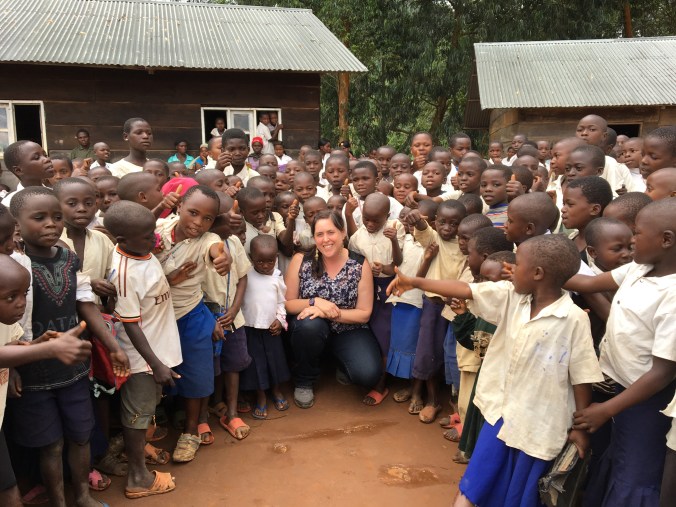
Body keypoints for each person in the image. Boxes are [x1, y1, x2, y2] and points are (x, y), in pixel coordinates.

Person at [388, 234, 603, 507]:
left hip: (540, 426)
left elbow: (582, 376)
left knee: (519, 495)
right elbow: (466, 289)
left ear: (537, 273)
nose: (509, 271)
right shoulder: (511, 297)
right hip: (500, 413)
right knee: (475, 483)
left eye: (518, 265)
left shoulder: (573, 319)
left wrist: (580, 429)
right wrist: (415, 282)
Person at [8, 186, 130, 507]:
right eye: (39, 218)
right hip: (33, 375)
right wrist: (12, 368)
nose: (51, 223)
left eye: (56, 217)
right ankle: (59, 501)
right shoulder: (14, 266)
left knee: (80, 434)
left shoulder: (68, 259)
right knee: (51, 444)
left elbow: (85, 303)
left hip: (74, 369)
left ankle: (83, 496)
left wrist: (112, 344)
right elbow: (9, 328)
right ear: (17, 225)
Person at [564, 198, 676, 507]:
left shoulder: (672, 295)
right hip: (618, 387)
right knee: (615, 457)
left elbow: (663, 373)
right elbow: (587, 283)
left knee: (635, 472)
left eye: (637, 233)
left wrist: (607, 409)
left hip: (647, 400)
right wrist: (541, 272)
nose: (632, 242)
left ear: (666, 240)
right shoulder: (641, 267)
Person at [0, 254, 92, 507]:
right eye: (11, 297)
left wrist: (38, 343)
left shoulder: (7, 323)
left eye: (25, 294)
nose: (21, 304)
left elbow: (10, 347)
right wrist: (48, 350)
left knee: (9, 493)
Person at [104, 201, 179, 499]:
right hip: (142, 360)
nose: (154, 237)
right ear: (123, 239)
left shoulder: (141, 251)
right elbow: (131, 325)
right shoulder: (125, 272)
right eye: (147, 235)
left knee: (145, 410)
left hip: (157, 350)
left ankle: (137, 454)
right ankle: (138, 478)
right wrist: (155, 364)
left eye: (153, 231)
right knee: (137, 413)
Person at [153, 185, 232, 463]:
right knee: (153, 375)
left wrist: (223, 258)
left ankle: (190, 432)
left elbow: (216, 250)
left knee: (196, 374)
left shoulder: (208, 239)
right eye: (193, 213)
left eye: (207, 218)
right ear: (178, 208)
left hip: (189, 313)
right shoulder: (159, 228)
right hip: (153, 318)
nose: (198, 222)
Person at [284, 210, 382, 409]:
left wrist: (328, 312)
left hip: (348, 329)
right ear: (314, 237)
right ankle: (304, 379)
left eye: (331, 232)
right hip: (311, 328)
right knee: (309, 326)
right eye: (319, 234)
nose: (326, 239)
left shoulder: (359, 264)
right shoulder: (301, 260)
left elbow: (364, 314)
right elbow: (288, 303)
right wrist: (315, 302)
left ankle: (338, 361)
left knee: (368, 374)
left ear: (343, 232)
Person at [403, 200, 467, 423]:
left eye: (454, 223)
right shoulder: (434, 238)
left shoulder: (466, 244)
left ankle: (456, 402)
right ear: (435, 222)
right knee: (428, 351)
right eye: (442, 222)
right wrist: (416, 218)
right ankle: (433, 400)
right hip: (433, 304)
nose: (447, 228)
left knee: (454, 355)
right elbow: (422, 229)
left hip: (457, 307)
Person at [451, 251, 514, 464]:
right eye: (479, 279)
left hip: (502, 385)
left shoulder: (512, 314)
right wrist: (463, 316)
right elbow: (477, 345)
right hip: (486, 379)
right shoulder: (486, 312)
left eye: (488, 280)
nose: (481, 286)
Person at [201, 193, 252, 441]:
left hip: (232, 317)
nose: (234, 219)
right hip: (204, 318)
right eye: (226, 215)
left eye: (235, 213)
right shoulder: (198, 244)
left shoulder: (233, 242)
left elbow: (242, 277)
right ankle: (201, 418)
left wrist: (234, 309)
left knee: (233, 365)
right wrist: (209, 318)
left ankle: (231, 414)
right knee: (204, 368)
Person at [348, 193, 405, 405]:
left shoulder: (396, 228)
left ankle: (382, 383)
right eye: (366, 219)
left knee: (386, 335)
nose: (370, 224)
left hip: (391, 287)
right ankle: (370, 372)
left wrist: (393, 240)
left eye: (376, 220)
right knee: (371, 332)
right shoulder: (357, 238)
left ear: (387, 216)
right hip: (367, 288)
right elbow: (354, 265)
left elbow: (399, 261)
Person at [239, 235, 291, 419]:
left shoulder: (277, 276)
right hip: (250, 327)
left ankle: (276, 391)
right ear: (251, 258)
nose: (265, 265)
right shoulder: (245, 274)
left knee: (274, 361)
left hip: (271, 329)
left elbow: (281, 301)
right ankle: (260, 396)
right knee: (256, 364)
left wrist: (280, 320)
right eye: (260, 261)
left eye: (270, 261)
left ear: (276, 257)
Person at [575, 114, 634, 194]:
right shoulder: (569, 159)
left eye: (592, 129)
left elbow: (614, 194)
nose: (584, 133)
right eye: (580, 130)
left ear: (604, 136)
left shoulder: (609, 163)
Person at [561, 176, 613, 259]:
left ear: (595, 209)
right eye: (564, 204)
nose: (563, 209)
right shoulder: (570, 239)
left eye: (570, 205)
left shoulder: (603, 246)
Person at [1, 140, 54, 207]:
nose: (47, 159)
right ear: (18, 170)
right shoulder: (10, 203)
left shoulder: (55, 194)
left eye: (45, 155)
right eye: (36, 158)